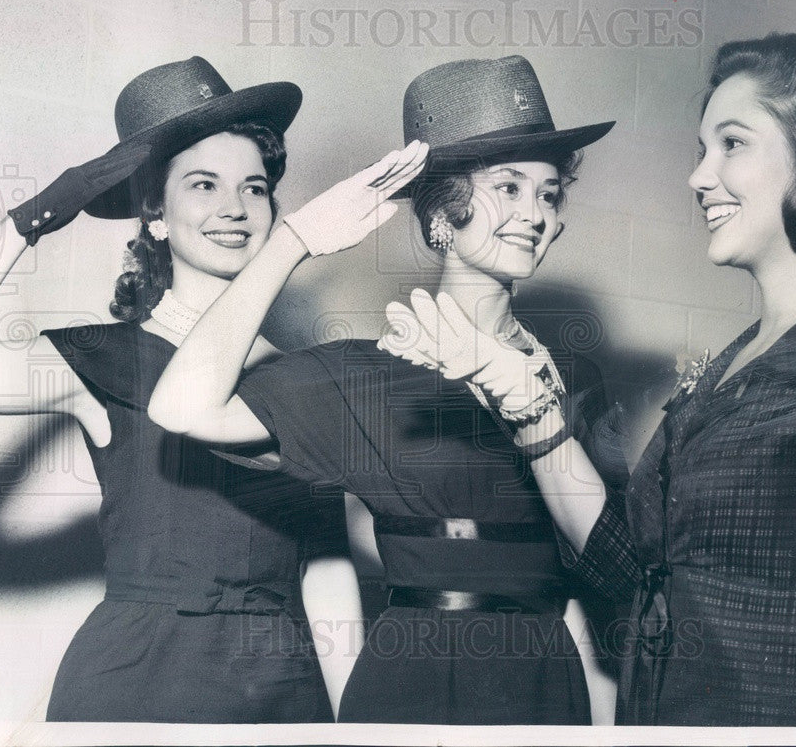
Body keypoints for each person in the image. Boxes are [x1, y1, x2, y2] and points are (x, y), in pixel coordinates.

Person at [382, 33, 796, 727]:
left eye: (731, 144)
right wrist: (527, 404)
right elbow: (629, 577)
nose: (699, 178)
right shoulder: (727, 370)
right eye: (700, 152)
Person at [148, 55, 624, 724]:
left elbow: (606, 573)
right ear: (440, 215)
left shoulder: (574, 381)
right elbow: (181, 406)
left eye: (549, 193)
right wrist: (292, 241)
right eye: (508, 188)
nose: (536, 214)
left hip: (546, 682)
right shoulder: (363, 375)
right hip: (413, 682)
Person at [0, 56, 417, 722]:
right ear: (154, 209)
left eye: (255, 187)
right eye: (203, 185)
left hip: (278, 688)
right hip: (134, 680)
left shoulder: (311, 377)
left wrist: (349, 725)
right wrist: (37, 214)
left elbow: (326, 570)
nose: (234, 209)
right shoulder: (102, 357)